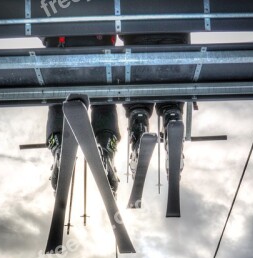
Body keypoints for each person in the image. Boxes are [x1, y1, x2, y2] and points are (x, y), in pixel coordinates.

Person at [42, 35, 121, 196]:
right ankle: (106, 148)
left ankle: (59, 147)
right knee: (105, 97)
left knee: (57, 99)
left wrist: (50, 38)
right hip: (100, 53)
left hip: (58, 53)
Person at [120, 34, 189, 182]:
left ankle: (139, 126)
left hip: (137, 44)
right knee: (173, 74)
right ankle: (172, 118)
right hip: (176, 45)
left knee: (136, 81)